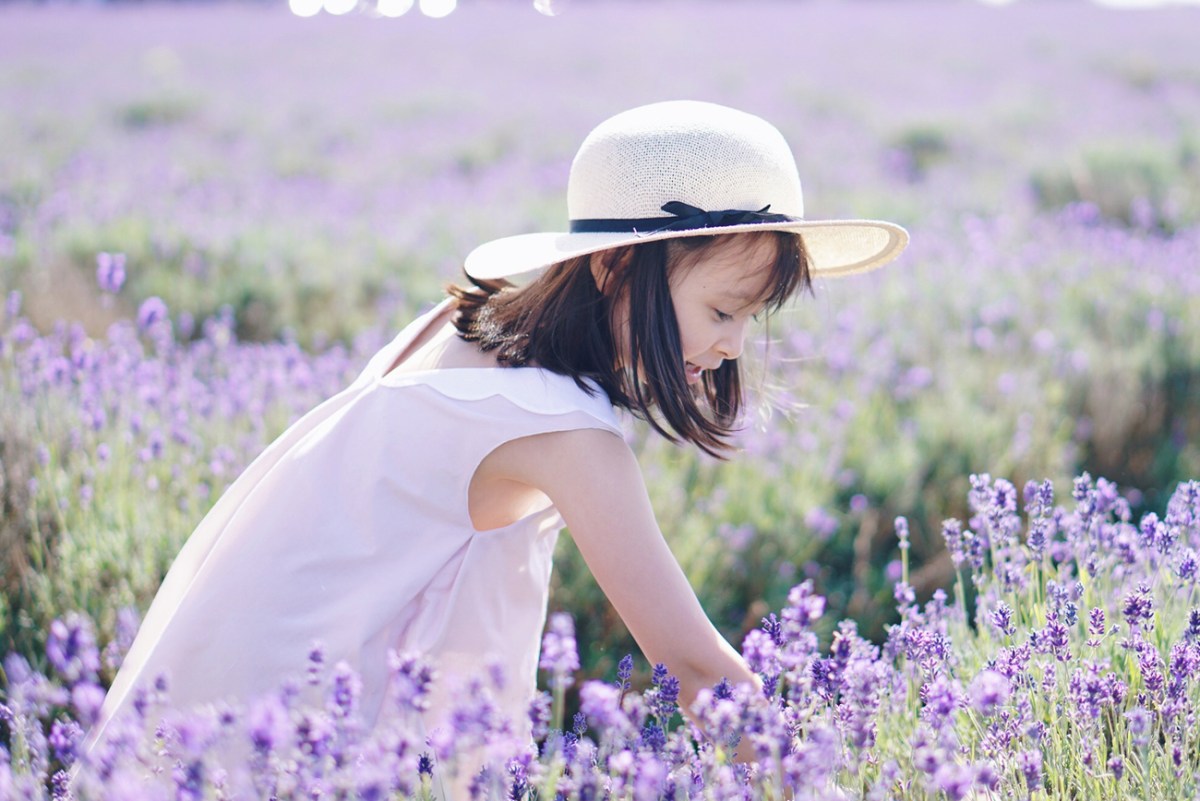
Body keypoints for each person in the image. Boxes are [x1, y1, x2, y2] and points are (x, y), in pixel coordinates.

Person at [82, 100, 907, 785]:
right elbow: (694, 668)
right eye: (722, 311)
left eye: (750, 319)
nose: (733, 345)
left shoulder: (469, 324)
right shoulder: (564, 433)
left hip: (218, 687)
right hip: (287, 734)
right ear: (616, 272)